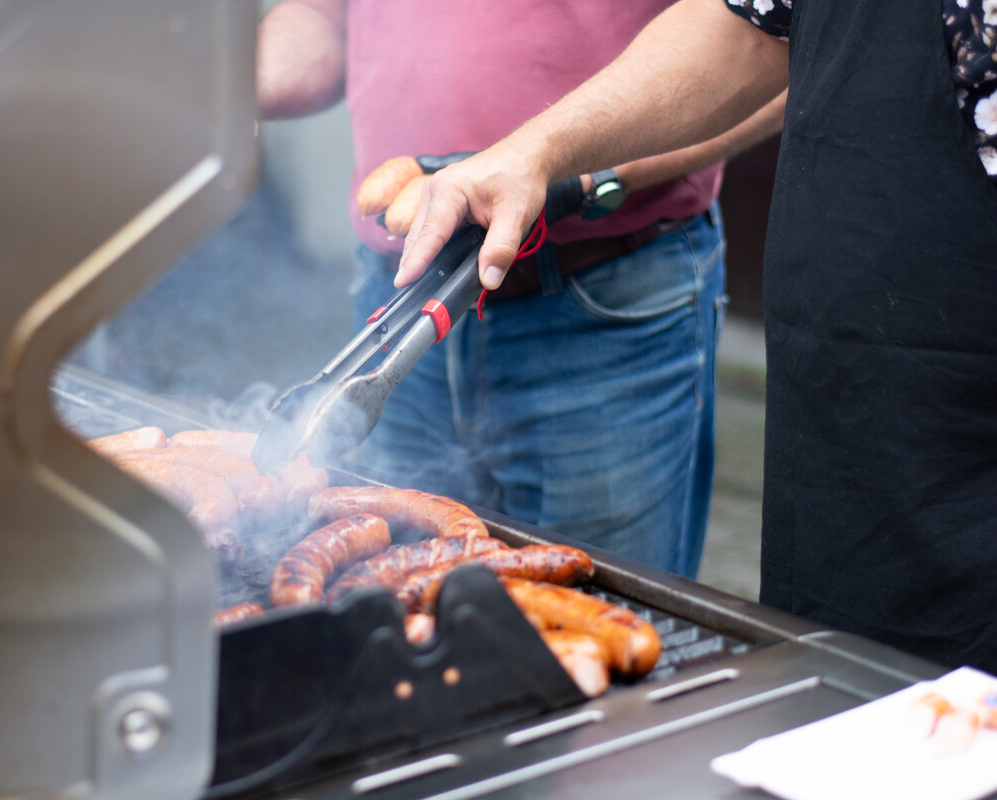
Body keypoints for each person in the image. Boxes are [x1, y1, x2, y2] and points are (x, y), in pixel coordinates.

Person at [397, 0, 997, 672]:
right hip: (851, 419)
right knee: (840, 698)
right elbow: (747, 29)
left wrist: (598, 178)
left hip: (969, 431)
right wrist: (531, 154)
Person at [256, 0, 785, 578]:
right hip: (394, 304)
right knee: (385, 610)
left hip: (604, 311)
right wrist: (223, 92)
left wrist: (579, 177)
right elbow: (323, 15)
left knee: (587, 613)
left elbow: (779, 39)